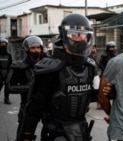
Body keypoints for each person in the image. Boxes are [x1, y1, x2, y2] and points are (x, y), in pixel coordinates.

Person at [18, 13, 97, 141]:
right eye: (75, 35)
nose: (80, 39)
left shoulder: (89, 67)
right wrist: (25, 137)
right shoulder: (50, 69)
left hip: (81, 132)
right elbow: (33, 110)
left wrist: (110, 92)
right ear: (64, 36)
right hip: (56, 133)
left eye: (84, 35)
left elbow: (88, 95)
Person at [5, 35, 47, 140]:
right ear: (27, 50)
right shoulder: (19, 66)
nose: (36, 50)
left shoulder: (48, 65)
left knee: (51, 134)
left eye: (38, 47)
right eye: (33, 48)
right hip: (28, 106)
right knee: (23, 136)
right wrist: (31, 88)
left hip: (47, 107)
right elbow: (10, 86)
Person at [97, 41, 116, 109]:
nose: (112, 49)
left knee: (110, 89)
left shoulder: (114, 56)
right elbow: (100, 64)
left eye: (113, 47)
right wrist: (105, 70)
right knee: (102, 89)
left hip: (112, 75)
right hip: (104, 74)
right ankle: (99, 103)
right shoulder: (104, 56)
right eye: (111, 47)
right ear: (108, 47)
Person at [0, 37, 12, 104]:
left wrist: (9, 73)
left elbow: (10, 64)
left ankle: (6, 99)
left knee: (7, 86)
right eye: (2, 43)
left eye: (4, 44)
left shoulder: (9, 55)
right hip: (0, 72)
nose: (3, 45)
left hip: (7, 72)